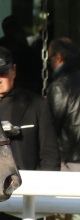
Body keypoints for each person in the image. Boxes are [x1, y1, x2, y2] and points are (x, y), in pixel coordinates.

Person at [0, 46, 60, 220]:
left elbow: (50, 154)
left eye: (2, 74)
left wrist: (45, 195)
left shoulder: (37, 105)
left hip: (28, 194)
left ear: (13, 71)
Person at [47, 38, 80, 170]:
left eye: (49, 59)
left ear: (58, 57)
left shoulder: (60, 86)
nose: (49, 63)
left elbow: (51, 126)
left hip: (71, 159)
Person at [0, 15, 42, 95]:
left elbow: (33, 68)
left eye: (12, 28)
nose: (10, 31)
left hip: (24, 84)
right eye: (8, 28)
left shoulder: (25, 47)